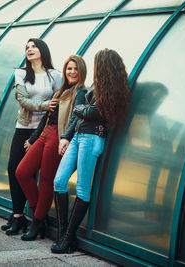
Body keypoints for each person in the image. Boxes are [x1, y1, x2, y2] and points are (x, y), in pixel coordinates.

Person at [51, 48, 130, 254]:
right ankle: (64, 233)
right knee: (59, 181)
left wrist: (79, 102)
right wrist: (67, 136)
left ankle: (68, 237)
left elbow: (87, 112)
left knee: (82, 189)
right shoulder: (97, 86)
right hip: (78, 137)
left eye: (96, 63)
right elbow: (82, 114)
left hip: (92, 139)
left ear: (103, 66)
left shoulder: (113, 90)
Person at [15, 55, 88, 241]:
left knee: (47, 181)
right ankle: (40, 217)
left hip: (57, 137)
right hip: (45, 134)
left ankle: (36, 222)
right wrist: (33, 138)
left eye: (75, 69)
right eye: (69, 68)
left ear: (82, 72)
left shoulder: (80, 92)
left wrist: (65, 138)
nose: (71, 72)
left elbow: (75, 118)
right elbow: (46, 119)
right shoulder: (60, 92)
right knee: (22, 172)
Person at [1, 38, 62, 236]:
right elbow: (24, 101)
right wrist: (45, 105)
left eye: (33, 46)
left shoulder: (55, 76)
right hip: (24, 126)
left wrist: (48, 111)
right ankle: (18, 216)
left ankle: (36, 217)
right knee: (14, 168)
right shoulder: (20, 73)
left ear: (43, 49)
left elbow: (58, 104)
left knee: (35, 174)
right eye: (27, 47)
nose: (29, 49)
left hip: (44, 129)